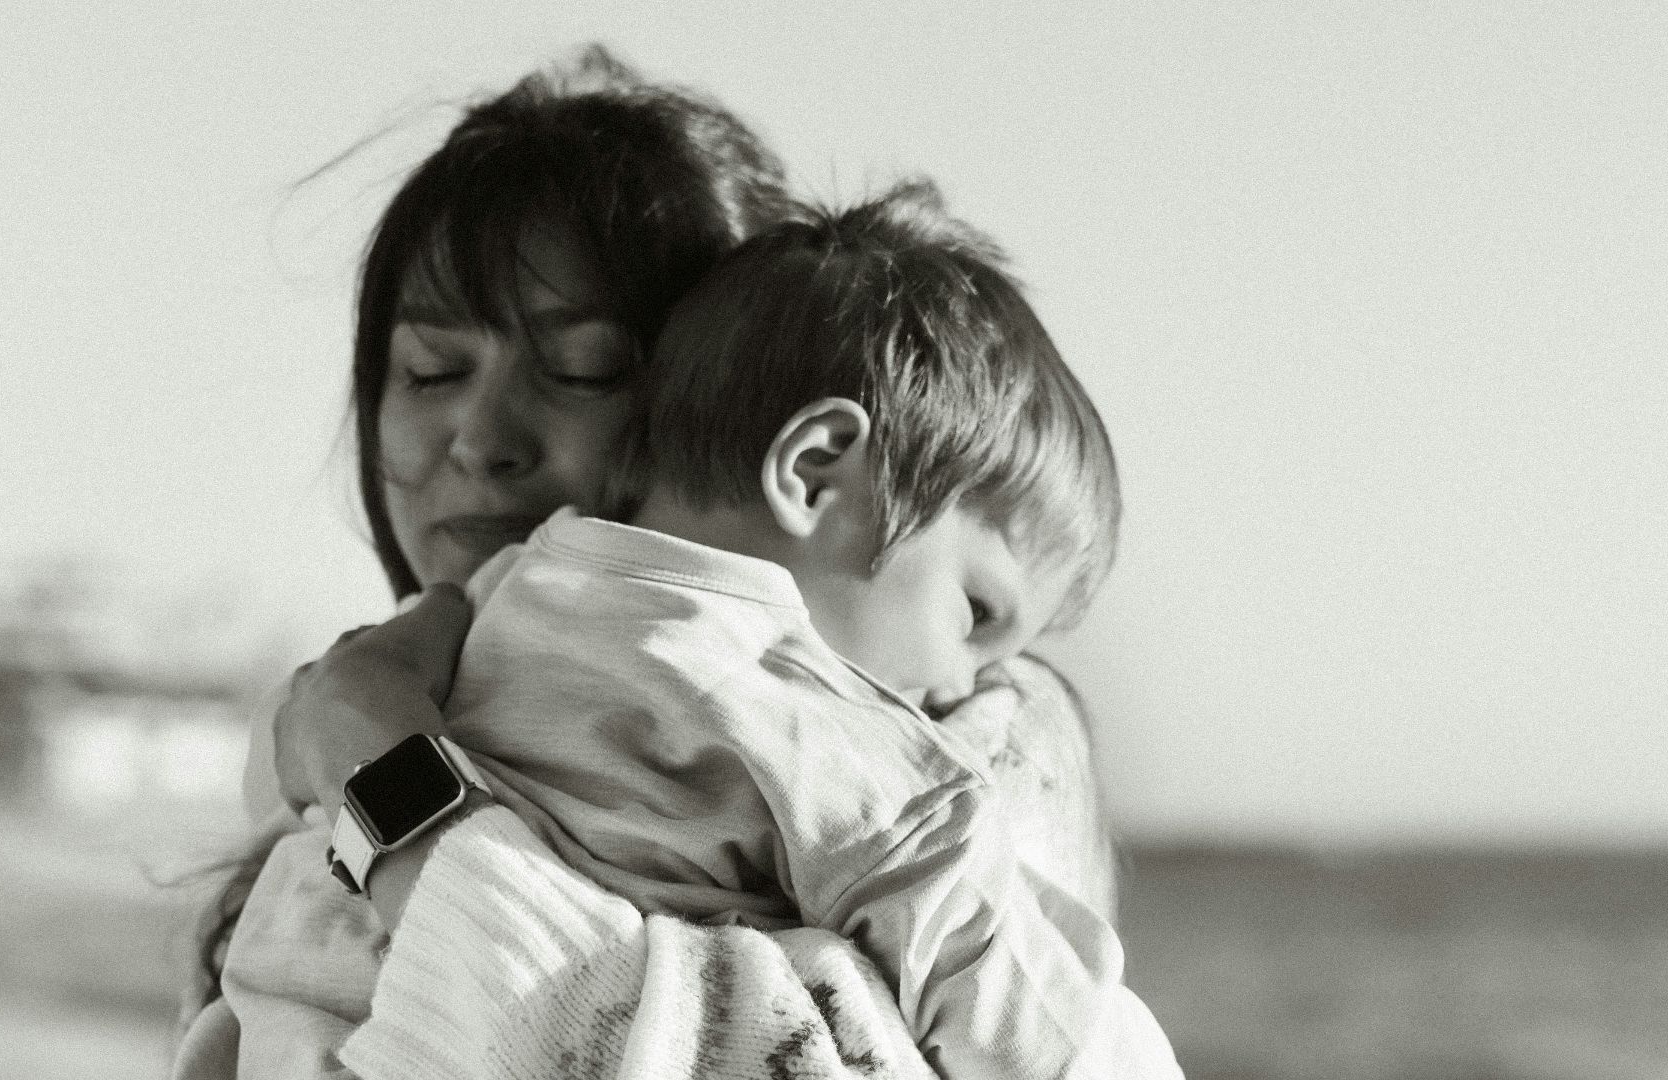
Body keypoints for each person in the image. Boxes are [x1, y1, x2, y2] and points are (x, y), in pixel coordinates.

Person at [174, 46, 1135, 1080]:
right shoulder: (401, 695)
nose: (482, 435)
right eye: (430, 369)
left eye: (584, 371)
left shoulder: (951, 750)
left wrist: (393, 795)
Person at [352, 182, 1179, 1079]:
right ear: (816, 470)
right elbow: (999, 982)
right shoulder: (803, 710)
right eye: (977, 614)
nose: (966, 689)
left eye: (587, 372)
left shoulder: (492, 603)